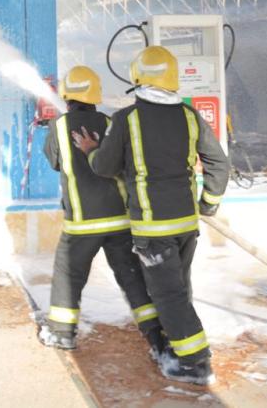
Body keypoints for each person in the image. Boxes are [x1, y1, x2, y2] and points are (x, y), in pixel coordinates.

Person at [72, 46, 230, 386]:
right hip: (186, 226)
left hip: (153, 229)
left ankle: (194, 362)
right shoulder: (190, 116)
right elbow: (219, 163)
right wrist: (208, 204)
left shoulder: (126, 119)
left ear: (137, 78)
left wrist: (90, 150)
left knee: (168, 294)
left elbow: (105, 167)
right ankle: (178, 344)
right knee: (178, 289)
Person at [37, 65, 170, 364]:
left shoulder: (59, 125)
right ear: (95, 94)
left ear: (67, 95)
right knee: (132, 278)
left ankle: (61, 333)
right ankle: (156, 336)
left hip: (83, 223)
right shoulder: (111, 122)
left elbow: (55, 162)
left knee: (69, 275)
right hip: (119, 220)